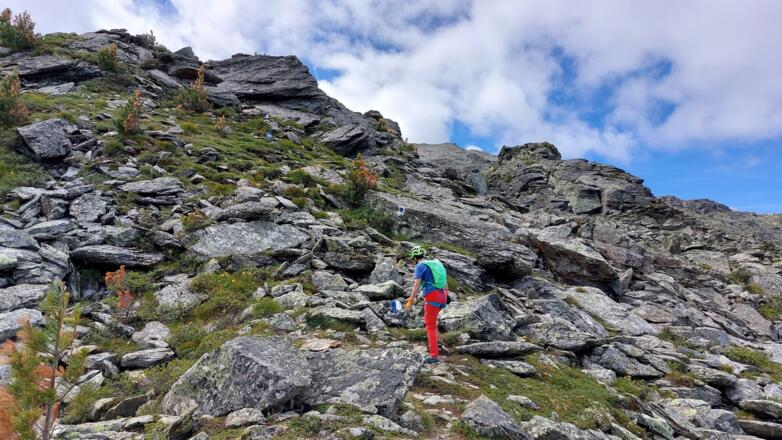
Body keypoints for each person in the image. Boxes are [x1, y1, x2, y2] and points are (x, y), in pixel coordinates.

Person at [405, 245, 448, 364]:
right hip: (443, 295)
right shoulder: (435, 263)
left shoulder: (420, 265)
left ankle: (434, 356)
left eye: (412, 260)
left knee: (430, 326)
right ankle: (438, 346)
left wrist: (410, 300)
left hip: (432, 296)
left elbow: (417, 284)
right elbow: (445, 282)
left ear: (414, 258)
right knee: (432, 323)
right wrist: (445, 295)